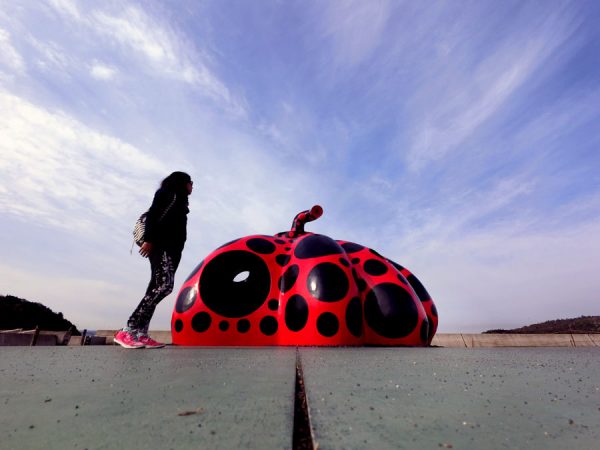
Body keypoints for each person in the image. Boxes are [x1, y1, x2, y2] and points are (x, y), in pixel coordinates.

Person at [114, 171, 193, 349]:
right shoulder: (167, 193)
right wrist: (149, 240)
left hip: (172, 251)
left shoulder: (180, 201)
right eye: (190, 182)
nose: (192, 186)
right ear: (182, 182)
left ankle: (141, 333)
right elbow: (153, 216)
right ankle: (129, 329)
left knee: (155, 288)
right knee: (164, 286)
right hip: (161, 246)